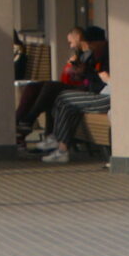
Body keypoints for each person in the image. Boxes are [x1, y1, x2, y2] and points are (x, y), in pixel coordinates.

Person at [39, 26, 109, 164]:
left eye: (91, 44)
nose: (90, 47)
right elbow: (94, 78)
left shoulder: (108, 56)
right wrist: (84, 72)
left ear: (99, 42)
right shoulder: (97, 55)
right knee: (65, 101)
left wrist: (95, 75)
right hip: (98, 93)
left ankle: (58, 141)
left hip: (108, 97)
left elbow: (102, 80)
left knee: (65, 98)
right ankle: (61, 148)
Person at [16, 27, 90, 145]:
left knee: (50, 88)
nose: (70, 46)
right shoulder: (79, 54)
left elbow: (91, 78)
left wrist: (81, 72)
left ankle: (29, 119)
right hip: (74, 85)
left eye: (71, 42)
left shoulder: (92, 56)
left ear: (78, 38)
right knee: (35, 86)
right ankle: (18, 121)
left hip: (84, 88)